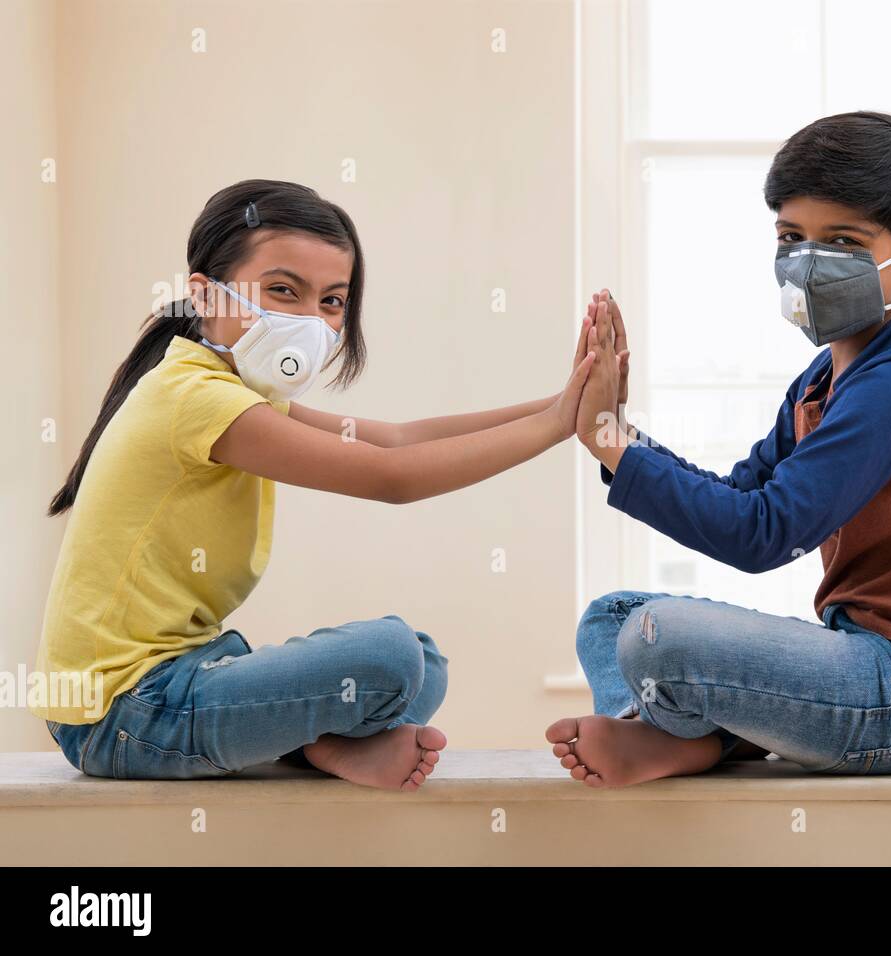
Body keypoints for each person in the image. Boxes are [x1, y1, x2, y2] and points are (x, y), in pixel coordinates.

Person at [35, 179, 600, 791]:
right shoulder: (194, 397)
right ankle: (318, 743)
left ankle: (319, 747)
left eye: (332, 300)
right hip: (119, 712)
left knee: (421, 658)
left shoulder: (229, 390)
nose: (312, 320)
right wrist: (557, 425)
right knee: (390, 659)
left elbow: (396, 440)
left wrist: (563, 407)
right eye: (283, 291)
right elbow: (393, 478)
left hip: (182, 679)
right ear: (204, 295)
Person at [550, 112, 891, 787]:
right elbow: (745, 495)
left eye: (841, 240)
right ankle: (687, 739)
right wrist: (617, 433)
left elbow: (763, 535)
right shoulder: (824, 377)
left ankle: (680, 735)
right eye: (791, 237)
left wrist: (608, 442)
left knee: (654, 636)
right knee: (611, 619)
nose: (807, 261)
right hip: (861, 657)